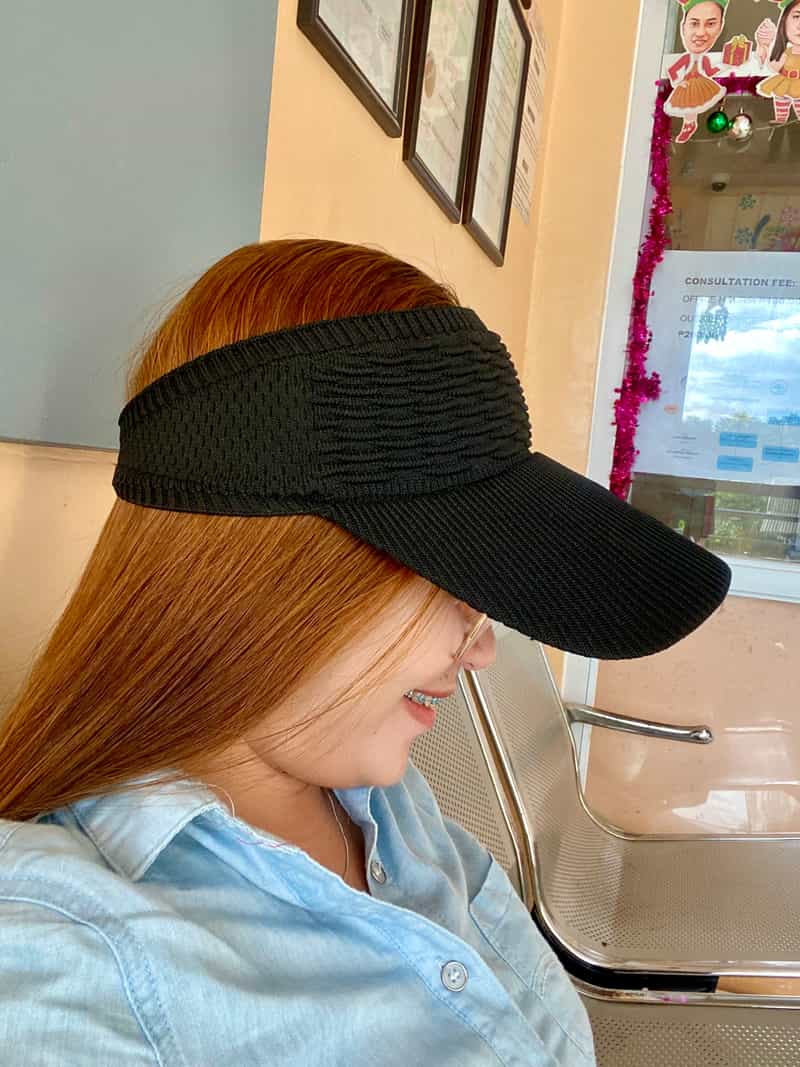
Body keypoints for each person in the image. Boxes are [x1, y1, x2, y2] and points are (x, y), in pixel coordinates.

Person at [0, 240, 731, 1065]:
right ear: (266, 570)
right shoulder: (63, 953)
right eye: (449, 572)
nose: (483, 645)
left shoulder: (389, 800)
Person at [665, 0, 728, 143]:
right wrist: (677, 83)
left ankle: (690, 125)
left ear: (720, 27)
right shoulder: (685, 58)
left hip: (701, 83)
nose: (700, 33)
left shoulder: (704, 58)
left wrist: (726, 66)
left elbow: (710, 71)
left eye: (710, 24)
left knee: (694, 104)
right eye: (694, 23)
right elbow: (672, 70)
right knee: (688, 104)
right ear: (683, 27)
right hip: (687, 84)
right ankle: (689, 125)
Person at [757, 0, 800, 125]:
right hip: (784, 81)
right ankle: (780, 120)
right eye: (797, 16)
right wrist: (765, 45)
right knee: (781, 99)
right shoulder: (786, 52)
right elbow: (774, 66)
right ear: (784, 21)